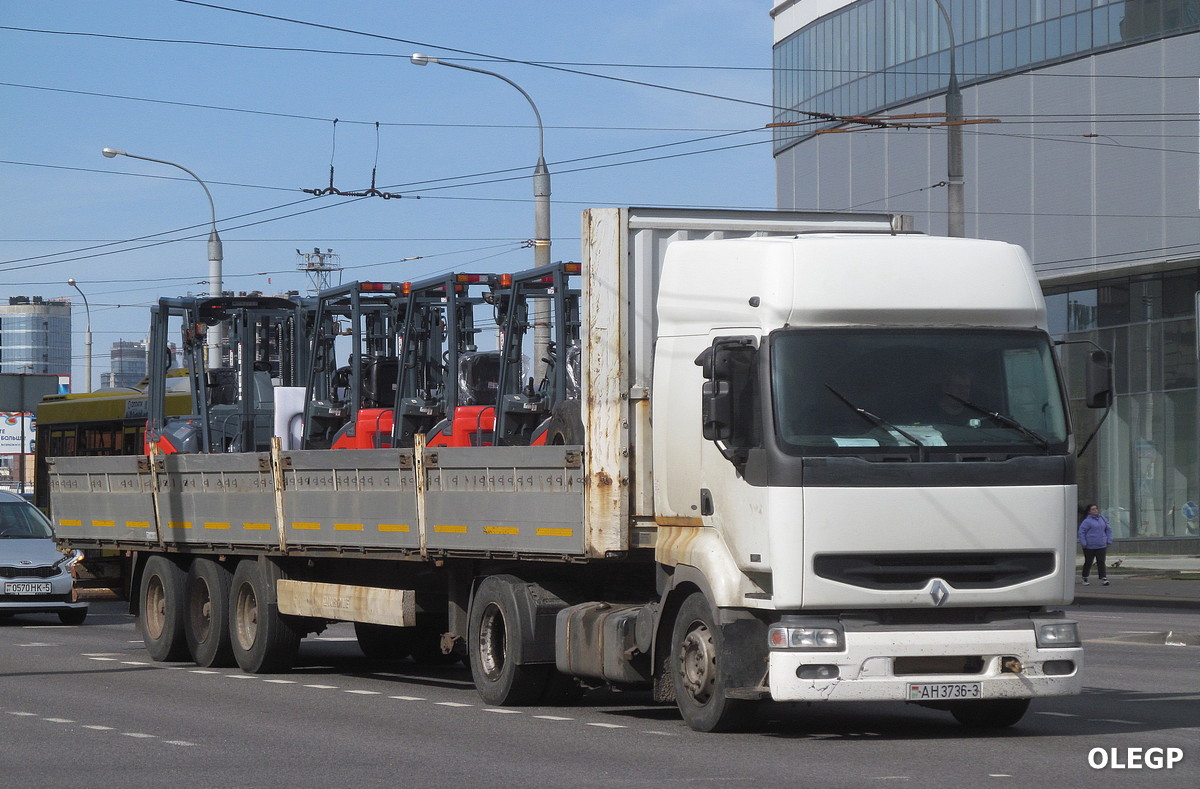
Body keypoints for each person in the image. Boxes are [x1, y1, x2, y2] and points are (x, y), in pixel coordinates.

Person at [1078, 503, 1113, 586]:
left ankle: (1103, 577)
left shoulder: (1102, 519)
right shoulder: (1087, 521)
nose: (1095, 510)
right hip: (1089, 546)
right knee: (1088, 562)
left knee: (1101, 561)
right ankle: (1085, 577)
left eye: (1096, 509)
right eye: (1093, 509)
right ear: (1089, 512)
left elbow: (1108, 529)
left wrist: (1109, 539)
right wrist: (1084, 543)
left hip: (1101, 544)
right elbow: (1081, 532)